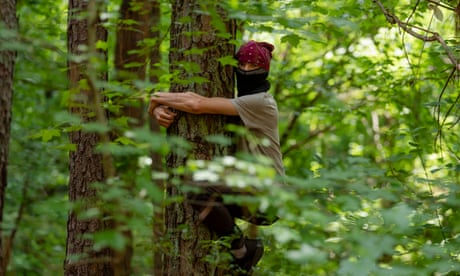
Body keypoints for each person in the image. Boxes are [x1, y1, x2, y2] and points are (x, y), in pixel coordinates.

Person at [148, 40, 284, 274]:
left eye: (254, 66)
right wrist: (157, 109)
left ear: (265, 70)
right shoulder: (239, 103)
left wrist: (155, 99)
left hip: (267, 196)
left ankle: (240, 249)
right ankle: (242, 255)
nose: (246, 71)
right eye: (242, 64)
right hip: (249, 188)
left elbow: (196, 104)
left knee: (198, 186)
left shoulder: (260, 102)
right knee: (202, 191)